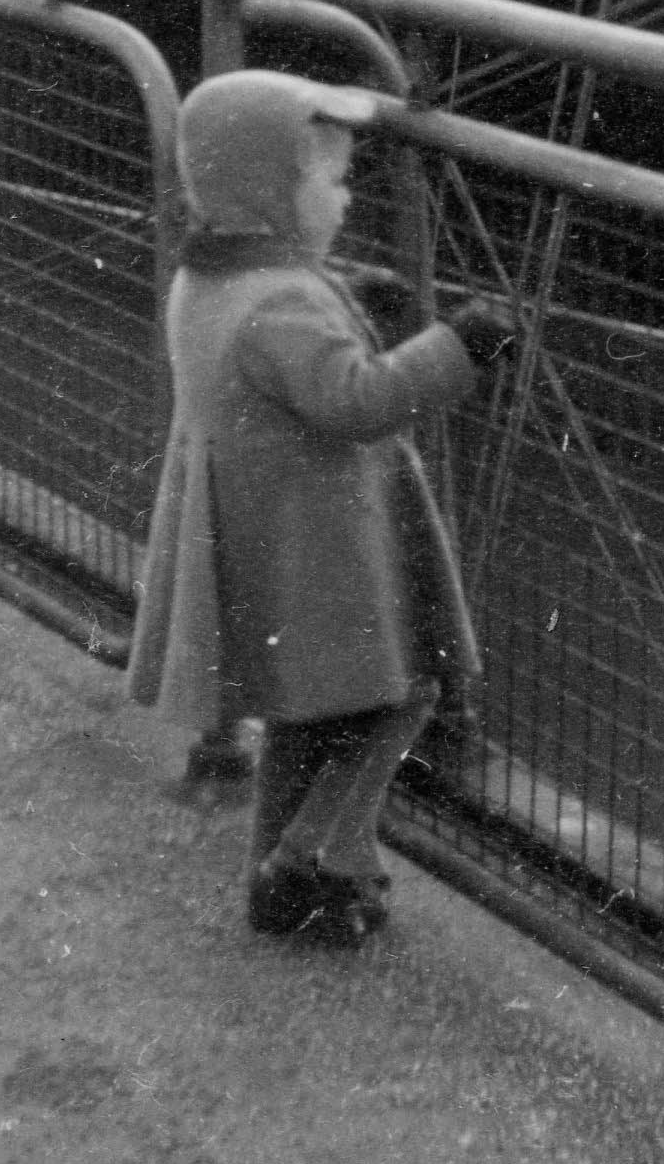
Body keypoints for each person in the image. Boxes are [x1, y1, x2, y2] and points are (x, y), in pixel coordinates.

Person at [126, 69, 512, 947]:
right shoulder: (284, 302)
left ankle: (305, 874)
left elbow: (283, 334)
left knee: (309, 713)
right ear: (273, 192)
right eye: (330, 183)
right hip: (325, 551)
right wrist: (462, 344)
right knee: (404, 692)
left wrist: (349, 291)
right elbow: (355, 396)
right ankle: (305, 859)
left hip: (269, 541)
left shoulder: (209, 280)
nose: (343, 200)